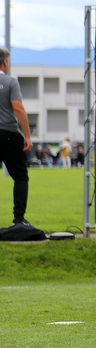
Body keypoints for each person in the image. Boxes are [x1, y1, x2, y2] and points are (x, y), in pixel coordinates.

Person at [0, 48, 32, 226]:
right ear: (5, 62)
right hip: (8, 134)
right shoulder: (10, 82)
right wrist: (27, 135)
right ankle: (19, 219)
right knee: (20, 176)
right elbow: (18, 109)